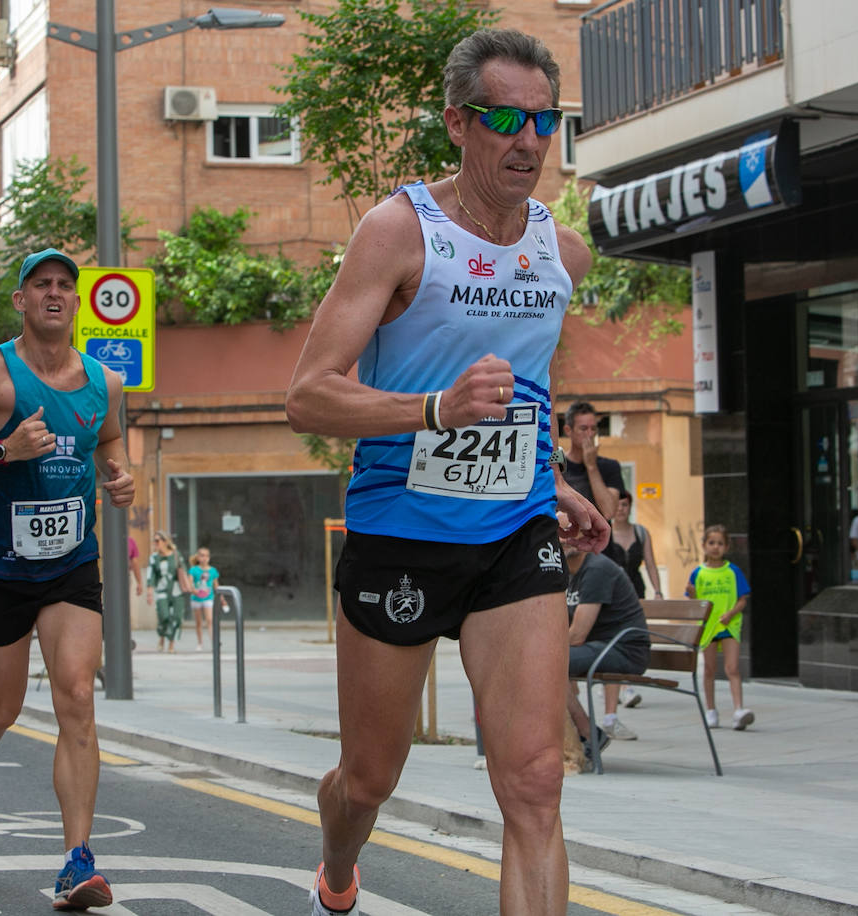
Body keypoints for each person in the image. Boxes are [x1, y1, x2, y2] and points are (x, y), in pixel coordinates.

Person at [284, 29, 607, 916]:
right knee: (368, 778)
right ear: (458, 123)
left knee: (537, 781)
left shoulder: (561, 253)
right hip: (401, 535)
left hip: (515, 534)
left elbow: (523, 386)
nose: (529, 140)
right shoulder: (398, 232)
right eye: (507, 117)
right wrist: (433, 410)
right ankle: (338, 868)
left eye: (546, 120)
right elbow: (310, 396)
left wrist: (556, 478)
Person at [0, 247, 135, 911]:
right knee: (3, 709)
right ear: (21, 300)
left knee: (76, 694)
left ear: (77, 300)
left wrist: (122, 477)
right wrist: (6, 448)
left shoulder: (106, 380)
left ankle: (77, 861)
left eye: (65, 286)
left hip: (71, 565)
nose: (54, 294)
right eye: (41, 285)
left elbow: (110, 443)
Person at [561, 520, 649, 756]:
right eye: (560, 533)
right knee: (540, 663)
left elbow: (577, 635)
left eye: (573, 532)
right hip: (600, 646)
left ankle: (589, 734)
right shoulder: (565, 573)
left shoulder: (596, 569)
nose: (566, 538)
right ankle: (566, 738)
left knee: (547, 663)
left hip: (625, 649)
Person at [686, 525, 754, 730]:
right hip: (708, 627)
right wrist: (694, 594)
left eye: (720, 543)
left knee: (732, 668)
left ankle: (738, 710)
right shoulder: (697, 573)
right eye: (711, 543)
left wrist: (731, 614)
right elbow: (694, 602)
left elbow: (743, 599)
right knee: (709, 669)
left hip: (729, 625)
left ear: (727, 546)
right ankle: (711, 710)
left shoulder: (733, 572)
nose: (716, 547)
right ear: (704, 546)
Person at [601, 488, 662, 710]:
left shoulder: (641, 533)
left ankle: (622, 685)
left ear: (630, 507)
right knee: (614, 636)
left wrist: (658, 591)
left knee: (632, 636)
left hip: (636, 590)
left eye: (625, 504)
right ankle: (622, 687)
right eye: (617, 504)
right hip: (610, 594)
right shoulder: (604, 531)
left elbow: (651, 564)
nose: (620, 509)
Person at [562, 401, 623, 520]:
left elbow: (609, 512)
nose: (589, 434)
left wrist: (591, 466)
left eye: (593, 429)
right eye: (583, 428)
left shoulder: (610, 466)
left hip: (601, 537)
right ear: (568, 430)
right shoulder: (557, 466)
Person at [146, 532, 192, 652]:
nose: (155, 543)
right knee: (164, 616)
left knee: (176, 617)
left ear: (165, 541)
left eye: (157, 541)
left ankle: (171, 644)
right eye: (154, 541)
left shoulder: (176, 555)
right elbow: (151, 576)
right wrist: (149, 592)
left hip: (177, 590)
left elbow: (184, 571)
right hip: (161, 591)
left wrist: (190, 585)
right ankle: (161, 637)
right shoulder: (154, 557)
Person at [188, 546, 221, 651]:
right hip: (196, 598)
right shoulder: (193, 570)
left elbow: (216, 585)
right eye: (202, 556)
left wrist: (222, 598)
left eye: (207, 556)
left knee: (210, 620)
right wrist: (194, 590)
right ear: (198, 557)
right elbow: (190, 584)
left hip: (208, 597)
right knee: (198, 622)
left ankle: (213, 642)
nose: (204, 558)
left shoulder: (213, 571)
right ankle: (200, 643)